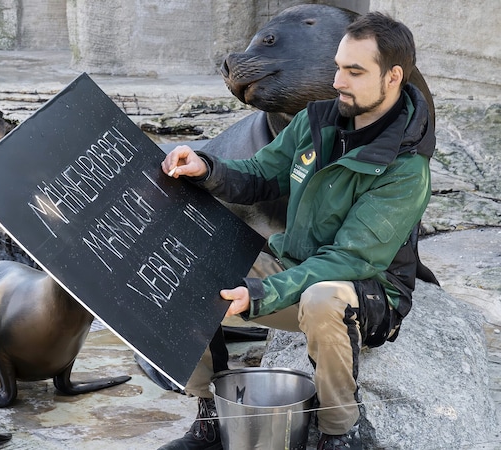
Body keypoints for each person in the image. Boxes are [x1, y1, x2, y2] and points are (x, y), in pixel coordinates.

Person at [158, 11, 434, 450]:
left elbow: (351, 258)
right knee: (189, 266)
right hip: (296, 266)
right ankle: (210, 414)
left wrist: (263, 293)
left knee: (322, 297)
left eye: (354, 71)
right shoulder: (317, 120)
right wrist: (205, 168)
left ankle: (342, 432)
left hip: (368, 294)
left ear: (393, 77)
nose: (338, 81)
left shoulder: (406, 168)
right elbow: (260, 175)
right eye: (338, 66)